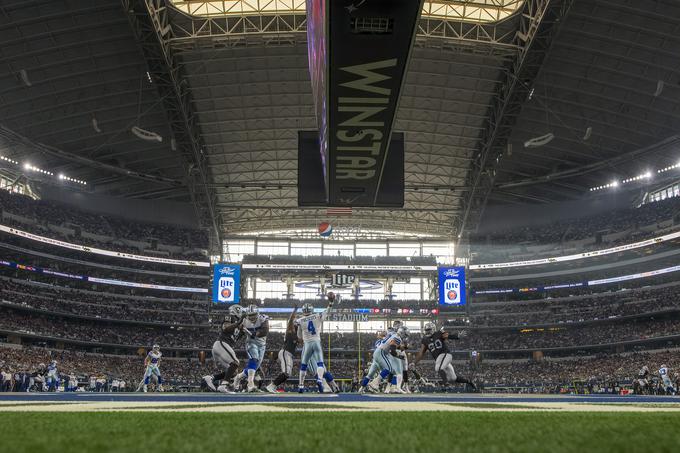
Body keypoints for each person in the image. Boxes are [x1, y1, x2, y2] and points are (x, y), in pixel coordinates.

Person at [414, 322, 476, 391]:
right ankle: (469, 381)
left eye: (429, 330)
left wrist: (457, 336)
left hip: (446, 354)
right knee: (453, 378)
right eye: (426, 330)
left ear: (433, 329)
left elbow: (448, 336)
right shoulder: (424, 340)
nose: (427, 331)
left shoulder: (438, 333)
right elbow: (421, 353)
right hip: (440, 359)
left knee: (438, 368)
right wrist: (414, 362)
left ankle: (446, 385)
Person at [296, 293, 338, 393]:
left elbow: (299, 336)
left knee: (305, 366)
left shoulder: (300, 320)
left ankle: (301, 386)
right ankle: (334, 386)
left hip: (307, 345)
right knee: (322, 367)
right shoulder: (317, 316)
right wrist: (331, 303)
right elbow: (327, 311)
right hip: (316, 342)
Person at [203, 305, 244, 393]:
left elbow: (235, 338)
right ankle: (223, 386)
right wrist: (239, 323)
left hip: (224, 346)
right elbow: (226, 328)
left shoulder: (239, 323)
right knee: (236, 362)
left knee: (233, 372)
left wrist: (242, 331)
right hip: (221, 344)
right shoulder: (230, 318)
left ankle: (211, 378)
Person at [236, 305, 269, 392]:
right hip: (251, 343)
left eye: (253, 314)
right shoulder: (244, 321)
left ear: (257, 313)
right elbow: (240, 333)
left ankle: (238, 377)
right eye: (250, 315)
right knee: (254, 359)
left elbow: (265, 331)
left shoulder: (263, 318)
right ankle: (250, 384)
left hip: (262, 345)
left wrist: (256, 333)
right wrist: (239, 332)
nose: (252, 317)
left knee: (255, 366)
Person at [266, 305, 299, 393]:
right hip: (285, 352)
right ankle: (271, 386)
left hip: (289, 354)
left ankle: (273, 386)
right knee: (286, 372)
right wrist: (295, 310)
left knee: (288, 374)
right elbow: (291, 321)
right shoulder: (290, 331)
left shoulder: (297, 335)